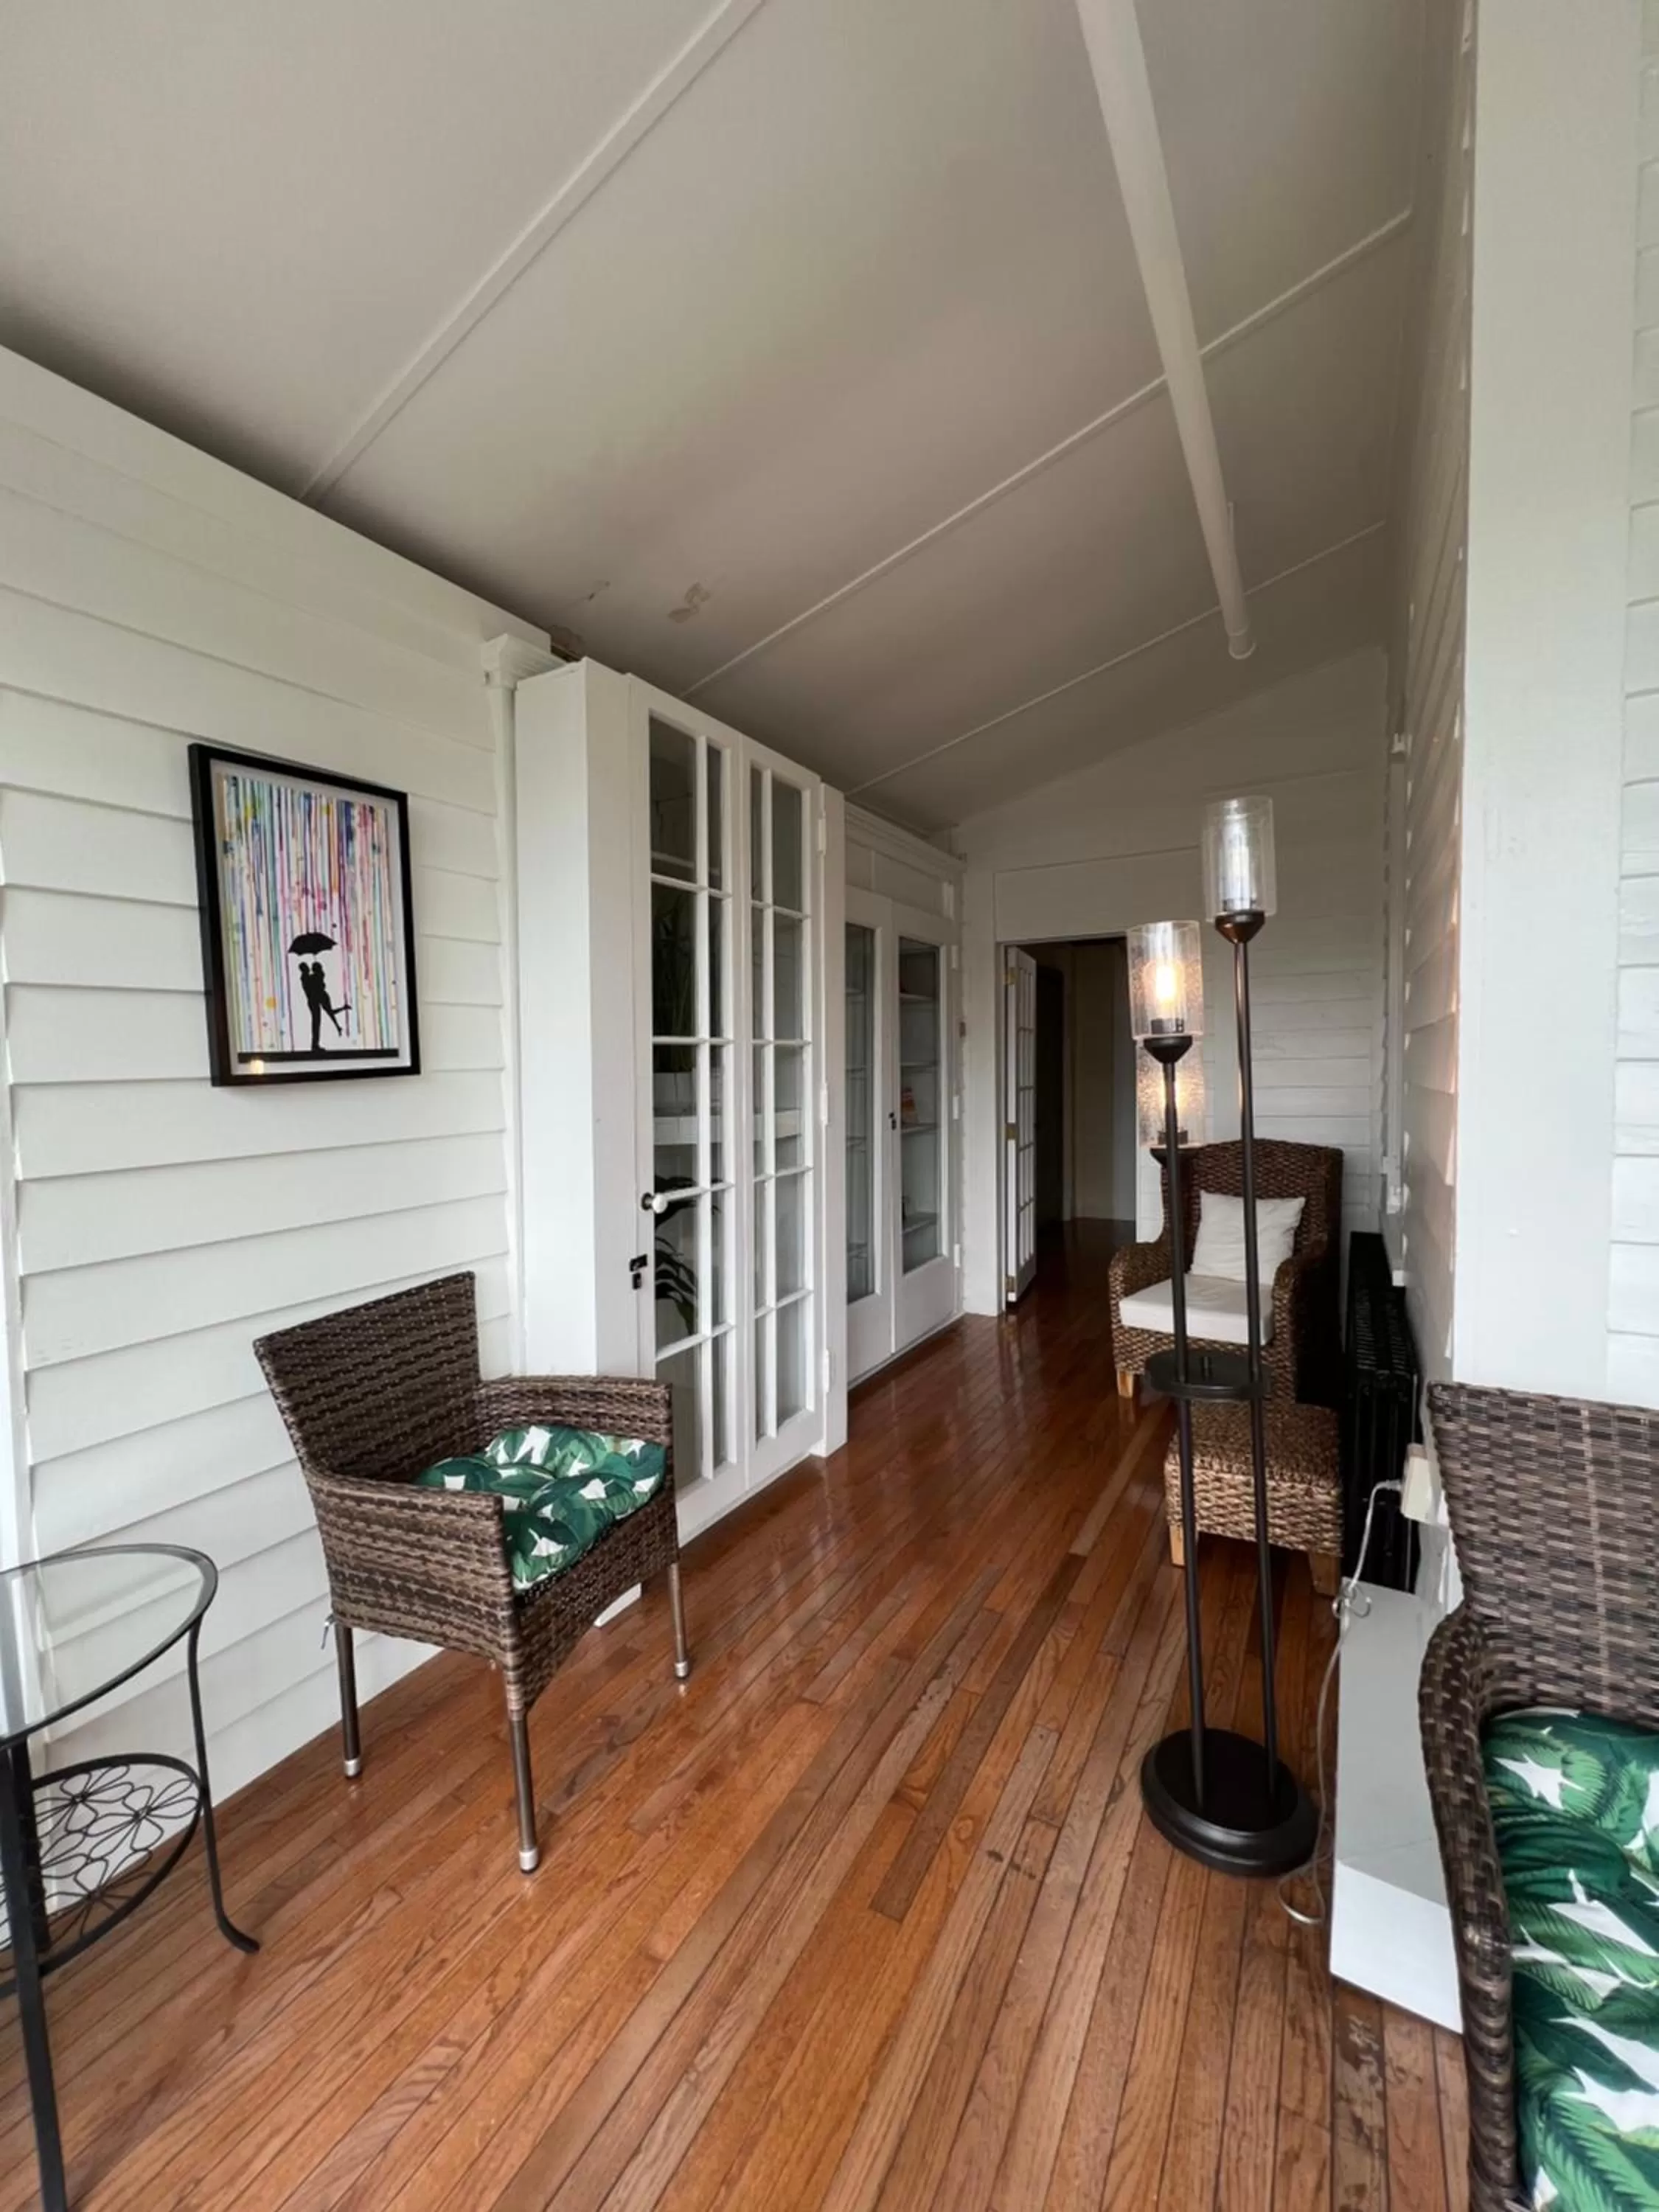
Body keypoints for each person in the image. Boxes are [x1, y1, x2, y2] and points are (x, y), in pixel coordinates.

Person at [298, 959, 349, 1052]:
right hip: (314, 1002)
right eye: (306, 967)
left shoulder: (311, 977)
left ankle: (315, 1044)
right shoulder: (306, 978)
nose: (309, 968)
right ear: (303, 969)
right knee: (316, 1023)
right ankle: (315, 1045)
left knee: (319, 1021)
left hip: (316, 1000)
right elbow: (313, 985)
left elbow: (318, 981)